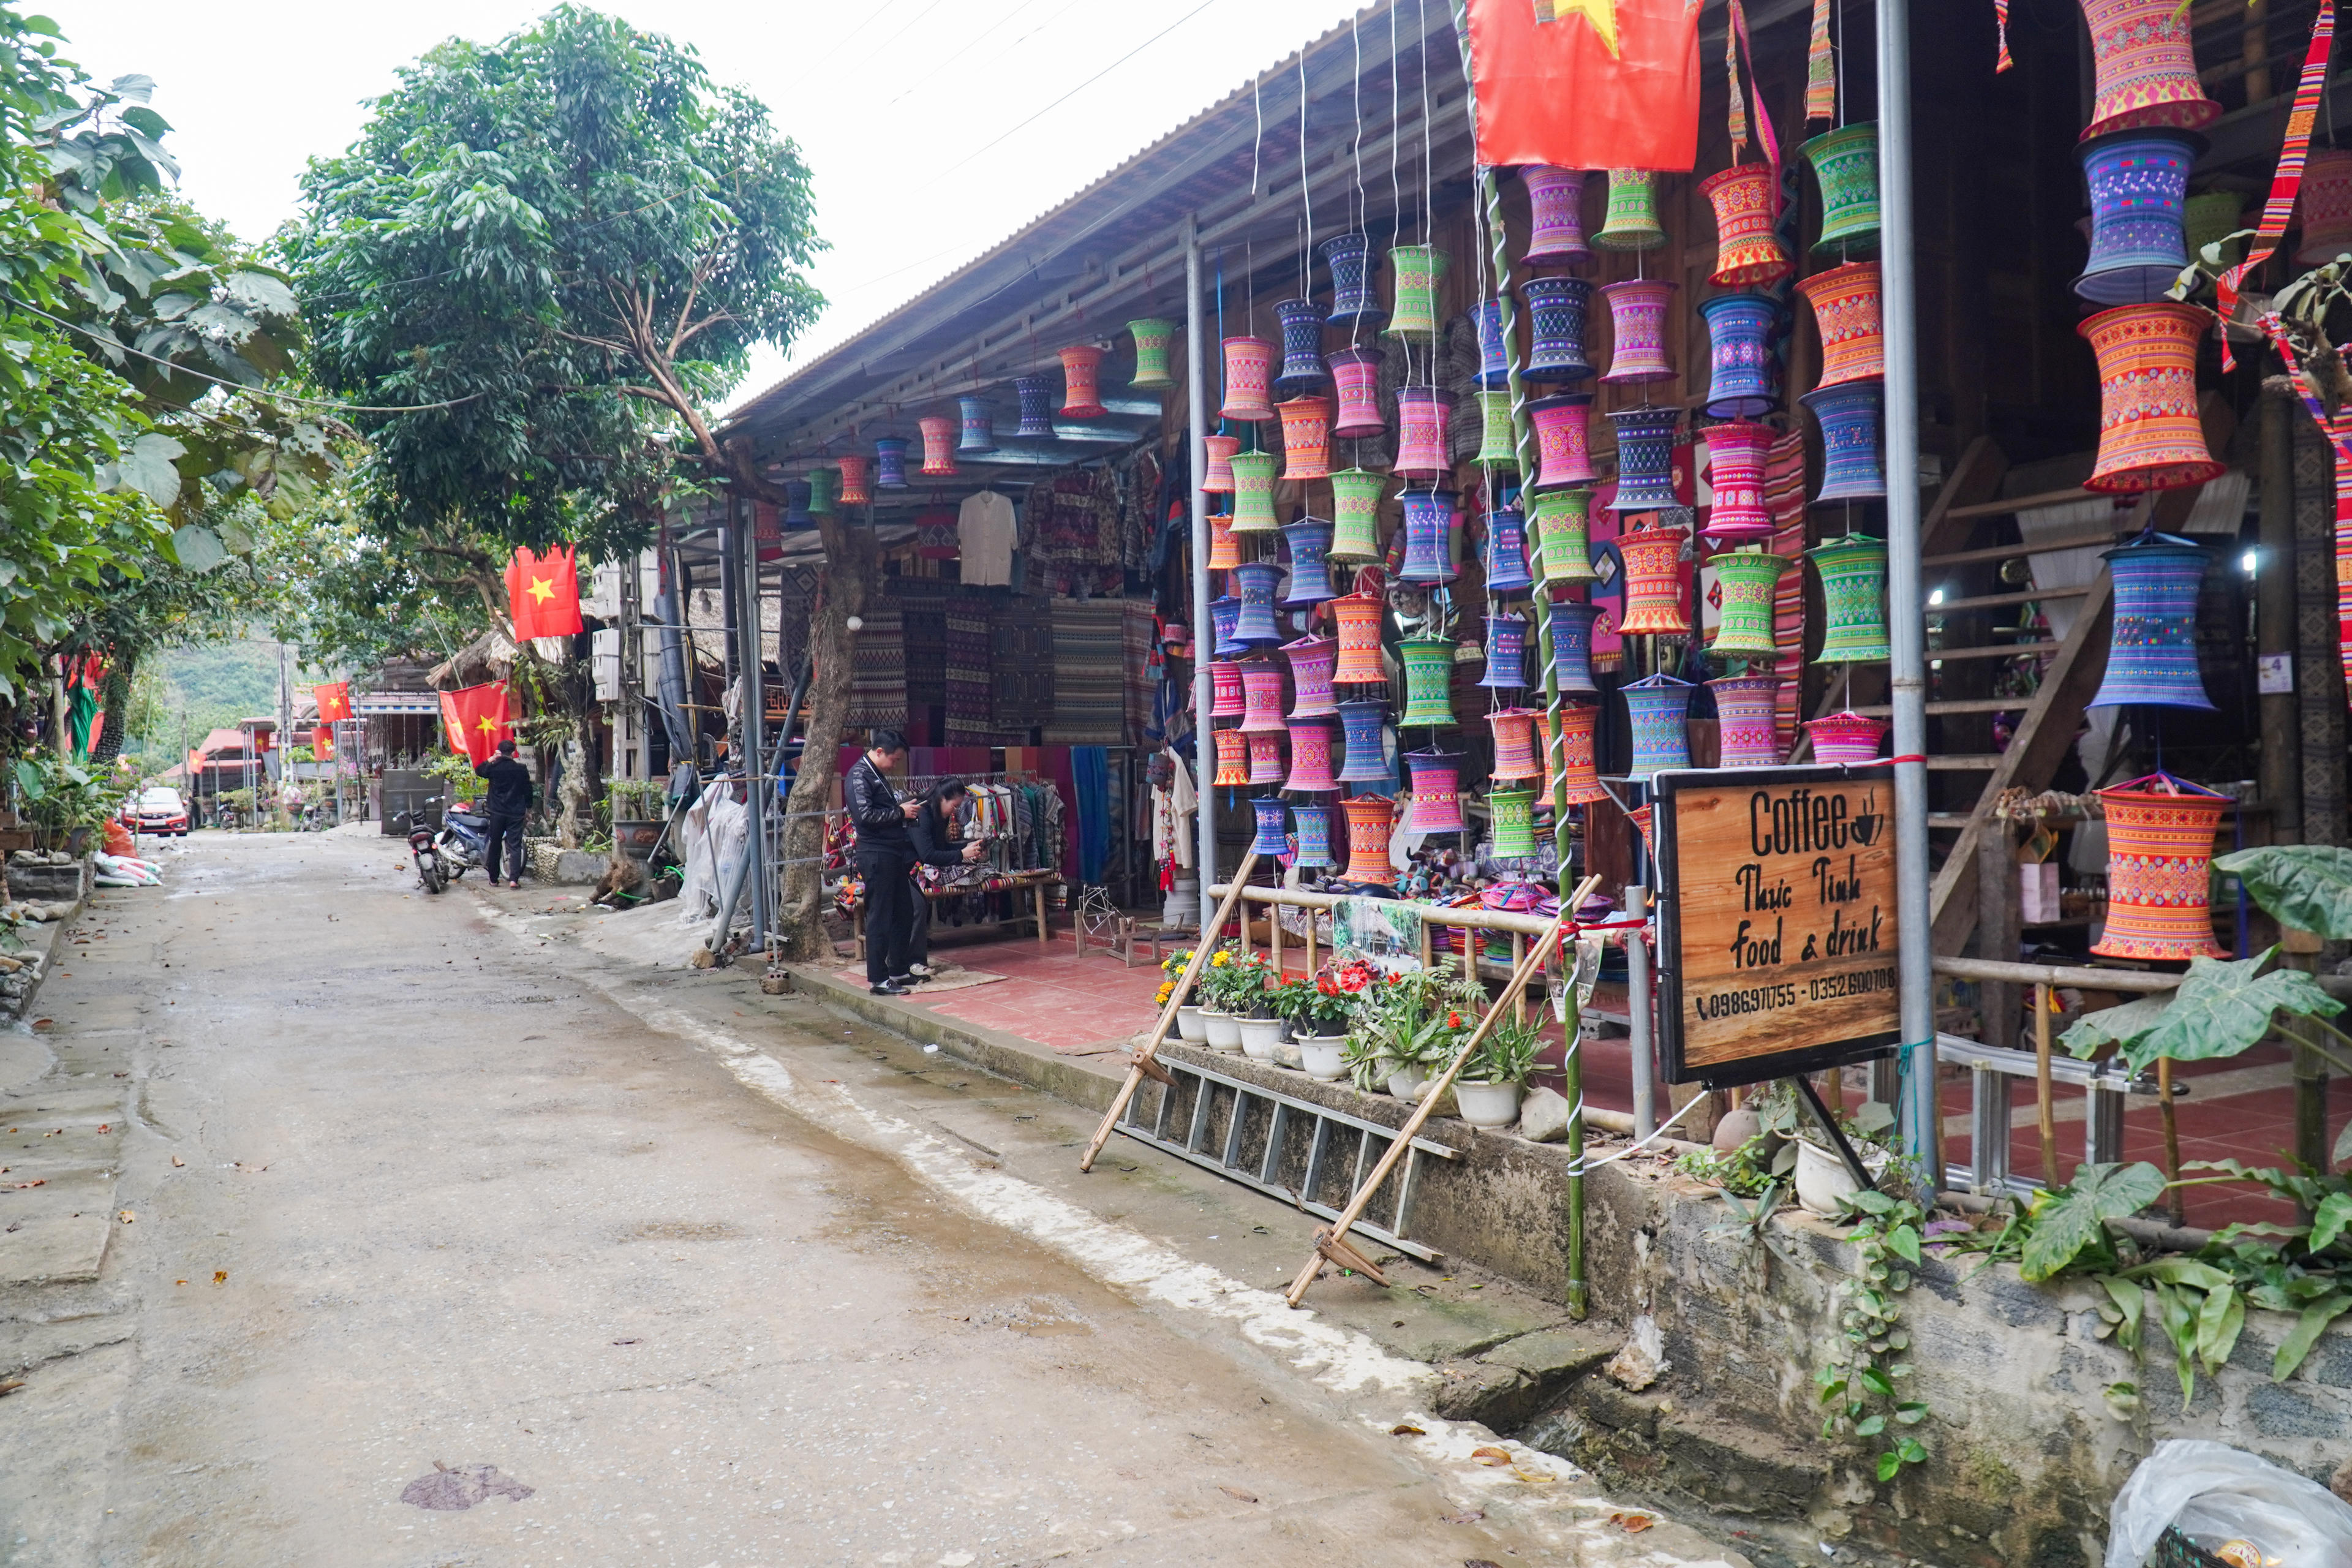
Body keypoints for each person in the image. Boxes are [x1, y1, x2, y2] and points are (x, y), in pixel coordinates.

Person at [845, 728, 922, 995]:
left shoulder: (876, 774)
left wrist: (903, 811)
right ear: (879, 752)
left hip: (893, 852)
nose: (895, 765)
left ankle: (898, 969)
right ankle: (878, 979)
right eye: (894, 759)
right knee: (880, 916)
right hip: (876, 854)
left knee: (903, 911)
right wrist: (900, 812)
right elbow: (865, 816)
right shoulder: (859, 775)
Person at [905, 778, 987, 978]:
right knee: (917, 906)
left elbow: (940, 848)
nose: (955, 811)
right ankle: (912, 963)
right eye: (954, 806)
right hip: (888, 866)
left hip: (902, 869)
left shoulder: (938, 816)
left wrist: (967, 847)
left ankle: (909, 961)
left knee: (918, 905)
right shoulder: (922, 813)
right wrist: (962, 854)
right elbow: (928, 855)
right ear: (942, 798)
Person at [473, 738, 535, 888]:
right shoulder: (521, 769)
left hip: (497, 812)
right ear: (513, 753)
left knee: (495, 844)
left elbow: (479, 770)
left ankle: (493, 879)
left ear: (500, 752)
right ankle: (514, 880)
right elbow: (528, 790)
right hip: (516, 812)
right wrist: (528, 808)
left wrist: (492, 758)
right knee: (515, 845)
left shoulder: (494, 768)